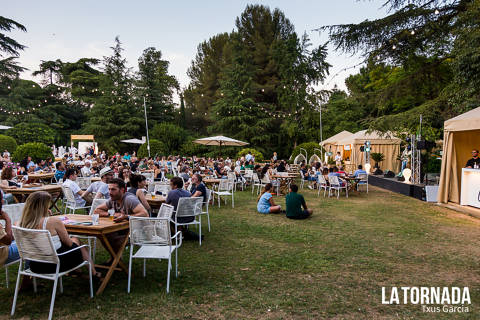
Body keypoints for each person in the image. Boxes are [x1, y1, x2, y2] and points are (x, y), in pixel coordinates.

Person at [19, 191, 99, 277]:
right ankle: (94, 274)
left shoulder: (19, 224)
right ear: (43, 207)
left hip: (34, 265)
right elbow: (68, 243)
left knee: (72, 241)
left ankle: (77, 271)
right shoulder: (53, 221)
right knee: (77, 242)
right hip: (54, 265)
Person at [94, 179, 148, 252]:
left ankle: (115, 261)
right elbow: (96, 211)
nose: (110, 192)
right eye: (109, 189)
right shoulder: (113, 199)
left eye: (113, 189)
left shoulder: (129, 199)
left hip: (138, 232)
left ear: (122, 190)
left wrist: (126, 216)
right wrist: (112, 214)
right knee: (103, 236)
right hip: (123, 229)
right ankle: (116, 260)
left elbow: (145, 214)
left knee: (113, 239)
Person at [0, 200, 19, 268]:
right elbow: (8, 241)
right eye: (1, 199)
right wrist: (7, 219)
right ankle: (28, 275)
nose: (3, 201)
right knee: (29, 243)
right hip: (2, 254)